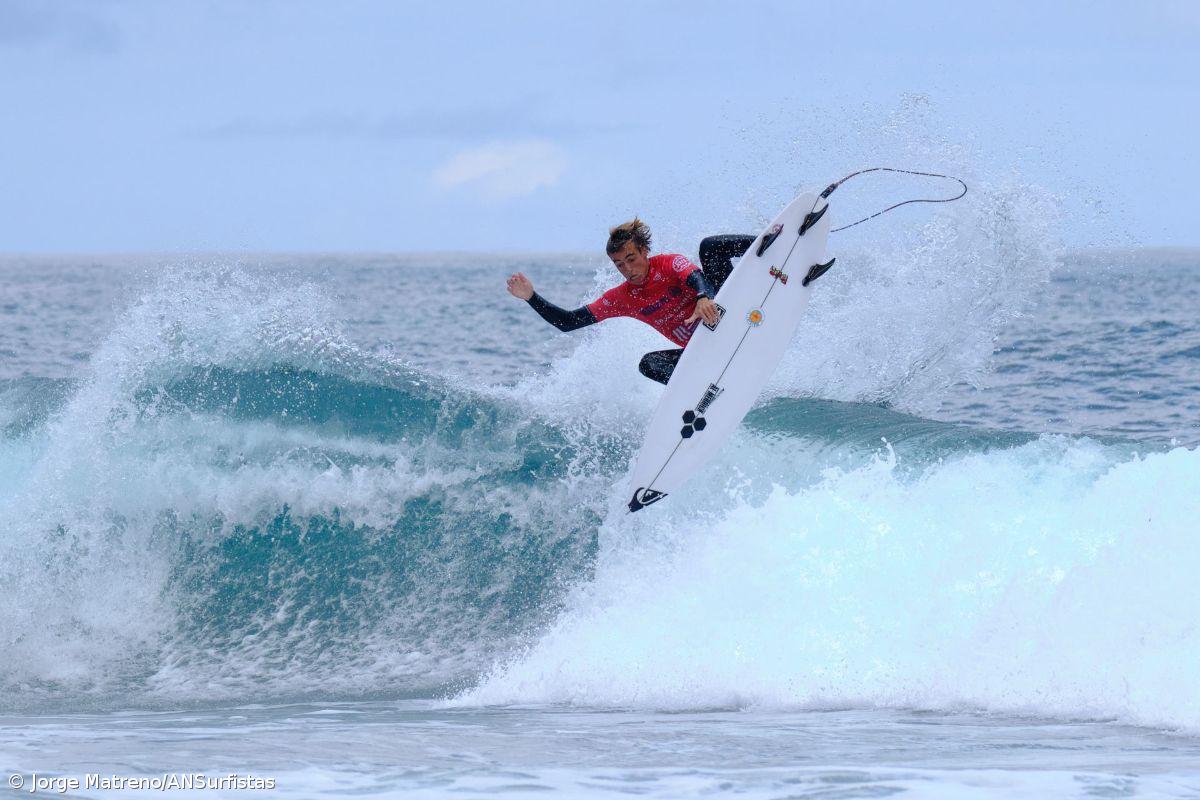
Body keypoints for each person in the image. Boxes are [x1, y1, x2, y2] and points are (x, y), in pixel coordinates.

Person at [506, 219, 754, 384]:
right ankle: (703, 385)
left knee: (710, 247)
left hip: (726, 314)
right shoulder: (622, 298)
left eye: (631, 258)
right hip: (704, 349)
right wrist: (530, 297)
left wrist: (703, 298)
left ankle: (782, 245)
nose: (627, 268)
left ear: (644, 250)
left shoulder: (667, 264)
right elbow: (569, 322)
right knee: (649, 364)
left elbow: (695, 276)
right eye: (619, 264)